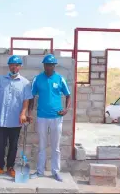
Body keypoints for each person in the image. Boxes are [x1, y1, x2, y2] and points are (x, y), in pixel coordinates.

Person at [0, 55, 33, 178]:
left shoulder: (25, 83)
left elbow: (26, 100)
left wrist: (23, 113)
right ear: (9, 66)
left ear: (20, 67)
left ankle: (10, 168)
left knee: (13, 146)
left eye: (17, 65)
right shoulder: (1, 80)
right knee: (0, 145)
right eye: (12, 64)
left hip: (15, 120)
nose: (14, 67)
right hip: (1, 119)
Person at [28, 54, 71, 182]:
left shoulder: (60, 79)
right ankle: (40, 171)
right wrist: (29, 112)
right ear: (44, 65)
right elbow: (32, 97)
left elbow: (68, 95)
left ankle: (55, 172)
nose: (49, 67)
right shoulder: (37, 79)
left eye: (51, 65)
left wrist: (66, 109)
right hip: (42, 116)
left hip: (56, 117)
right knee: (41, 145)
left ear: (54, 66)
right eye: (47, 65)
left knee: (55, 146)